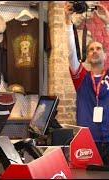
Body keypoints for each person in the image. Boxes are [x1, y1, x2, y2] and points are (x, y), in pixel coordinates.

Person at [65, 2, 109, 165]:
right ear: (87, 56)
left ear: (105, 55)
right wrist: (68, 21)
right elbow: (71, 53)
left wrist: (107, 22)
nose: (95, 51)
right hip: (88, 143)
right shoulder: (81, 77)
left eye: (99, 48)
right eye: (91, 49)